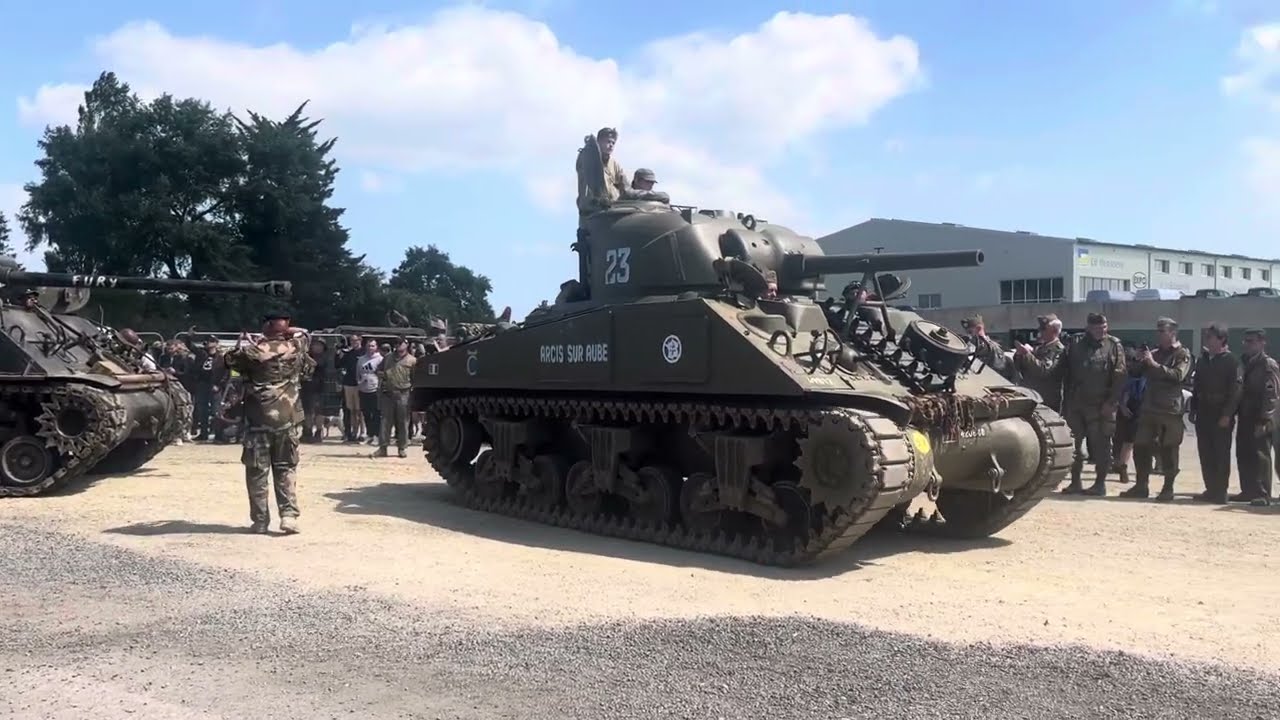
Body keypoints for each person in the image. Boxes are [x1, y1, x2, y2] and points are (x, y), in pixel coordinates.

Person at [222, 310, 316, 535]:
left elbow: (229, 361)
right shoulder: (296, 347)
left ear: (266, 326)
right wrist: (287, 331)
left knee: (257, 472)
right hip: (288, 419)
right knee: (286, 468)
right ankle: (289, 516)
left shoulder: (252, 352)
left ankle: (261, 521)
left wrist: (247, 342)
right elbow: (304, 335)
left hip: (258, 421)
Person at [1053, 313, 1126, 496]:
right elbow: (1062, 369)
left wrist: (1112, 402)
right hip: (1076, 404)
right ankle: (1075, 482)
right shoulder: (1076, 343)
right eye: (1097, 328)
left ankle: (1099, 484)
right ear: (1089, 328)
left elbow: (1120, 376)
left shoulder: (1113, 345)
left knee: (1101, 446)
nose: (1102, 331)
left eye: (1104, 327)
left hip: (1101, 405)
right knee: (1074, 446)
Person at [1121, 317, 1192, 501]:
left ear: (1173, 333)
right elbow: (1136, 373)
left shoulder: (1181, 354)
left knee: (1169, 449)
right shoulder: (1155, 352)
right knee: (1141, 445)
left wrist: (1154, 364)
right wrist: (1138, 360)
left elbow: (1178, 375)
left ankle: (1168, 488)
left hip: (1169, 409)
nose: (1159, 335)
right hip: (1149, 407)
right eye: (1158, 331)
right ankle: (1141, 485)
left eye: (1163, 331)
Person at [1189, 323, 1241, 503]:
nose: (1207, 340)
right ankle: (1210, 488)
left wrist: (1227, 414)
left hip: (1220, 411)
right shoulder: (1203, 360)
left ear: (1222, 339)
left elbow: (1235, 391)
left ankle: (1221, 491)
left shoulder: (1230, 361)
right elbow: (1196, 387)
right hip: (1204, 410)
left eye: (1210, 337)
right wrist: (1193, 409)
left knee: (1220, 453)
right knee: (1205, 452)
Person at [1234, 328, 1278, 506]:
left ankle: (1263, 493)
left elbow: (1272, 394)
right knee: (1243, 453)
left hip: (1260, 415)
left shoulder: (1268, 364)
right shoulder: (1245, 362)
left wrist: (1265, 419)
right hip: (1245, 413)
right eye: (1245, 341)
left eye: (1251, 341)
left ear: (1262, 343)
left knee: (1260, 454)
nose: (1247, 344)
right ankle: (1248, 490)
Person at [373, 338, 417, 458]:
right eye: (396, 343)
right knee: (385, 422)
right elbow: (378, 370)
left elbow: (415, 378)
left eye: (400, 343)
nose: (398, 345)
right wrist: (381, 374)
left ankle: (402, 448)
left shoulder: (412, 361)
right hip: (388, 394)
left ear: (406, 344)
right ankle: (383, 448)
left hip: (404, 394)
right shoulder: (388, 358)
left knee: (403, 422)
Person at [1013, 313, 1065, 412]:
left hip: (1046, 400)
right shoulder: (1040, 348)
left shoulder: (1058, 350)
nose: (1040, 332)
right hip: (1032, 397)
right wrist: (1020, 355)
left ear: (1054, 331)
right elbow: (1020, 369)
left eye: (1044, 329)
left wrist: (1027, 354)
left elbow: (1043, 371)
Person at [576, 126, 628, 222]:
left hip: (612, 211)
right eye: (608, 142)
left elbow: (625, 187)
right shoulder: (587, 156)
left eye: (613, 143)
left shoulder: (614, 164)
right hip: (592, 212)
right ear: (599, 142)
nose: (611, 145)